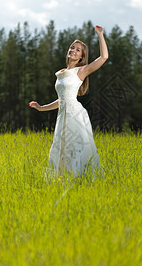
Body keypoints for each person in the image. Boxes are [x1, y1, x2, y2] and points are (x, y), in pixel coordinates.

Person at [29, 25, 108, 178]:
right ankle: (64, 181)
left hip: (75, 115)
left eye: (78, 50)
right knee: (61, 148)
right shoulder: (62, 73)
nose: (73, 50)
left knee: (76, 148)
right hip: (62, 115)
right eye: (72, 47)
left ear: (81, 57)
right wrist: (40, 107)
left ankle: (80, 181)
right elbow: (61, 100)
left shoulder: (81, 71)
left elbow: (104, 57)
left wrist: (100, 35)